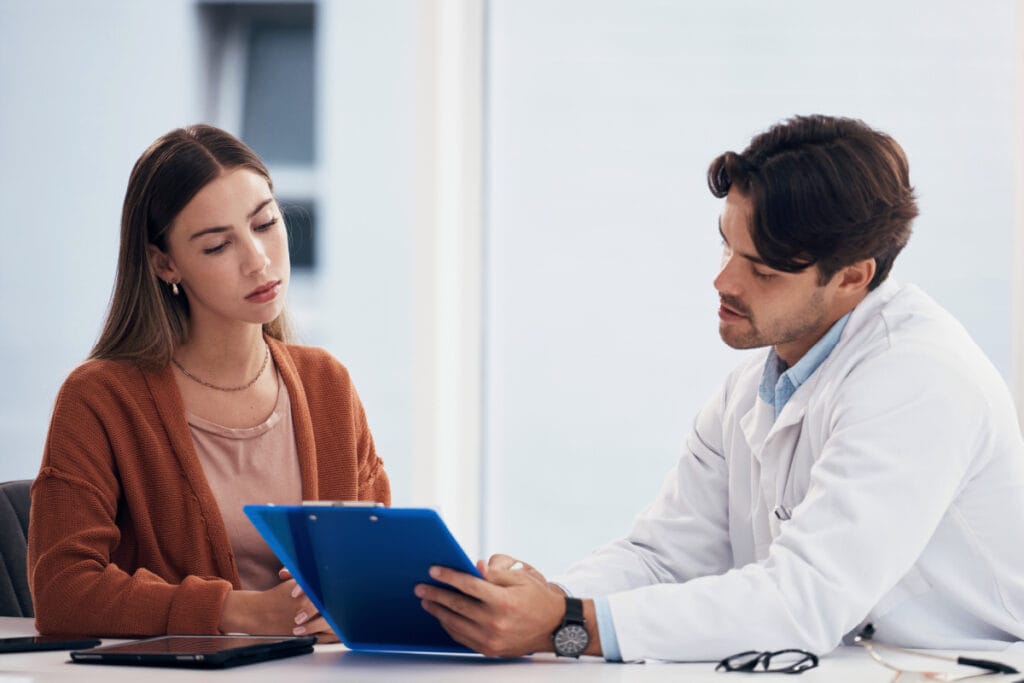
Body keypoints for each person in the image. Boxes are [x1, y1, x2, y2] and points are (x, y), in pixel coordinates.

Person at [415, 114, 1024, 662]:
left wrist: (566, 626)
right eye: (728, 246)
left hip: (973, 667)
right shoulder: (751, 391)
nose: (723, 280)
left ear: (852, 277)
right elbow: (661, 559)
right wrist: (518, 605)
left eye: (761, 269)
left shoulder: (918, 379)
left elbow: (802, 601)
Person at [29, 125, 390, 639]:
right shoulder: (99, 398)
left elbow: (373, 568)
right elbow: (62, 592)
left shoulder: (325, 383)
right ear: (164, 263)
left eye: (265, 223)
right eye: (219, 246)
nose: (258, 260)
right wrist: (244, 612)